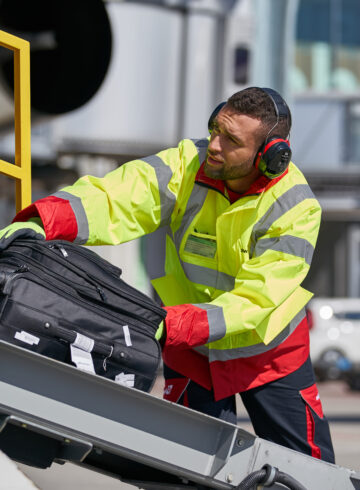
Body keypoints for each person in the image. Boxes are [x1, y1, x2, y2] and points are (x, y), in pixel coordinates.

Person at [0, 87, 335, 463]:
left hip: (269, 354)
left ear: (270, 157)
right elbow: (119, 197)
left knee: (308, 472)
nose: (214, 144)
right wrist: (41, 220)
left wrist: (173, 325)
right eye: (215, 128)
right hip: (191, 347)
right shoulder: (188, 163)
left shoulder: (296, 207)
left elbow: (256, 299)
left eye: (231, 140)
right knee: (185, 468)